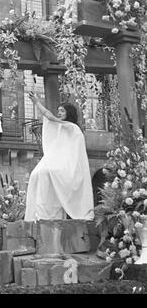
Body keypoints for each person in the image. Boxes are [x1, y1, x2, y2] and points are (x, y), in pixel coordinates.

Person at [24, 92, 94, 221]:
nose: (59, 113)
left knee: (46, 172)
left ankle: (47, 214)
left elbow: (49, 117)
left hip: (69, 168)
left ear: (69, 113)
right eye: (58, 111)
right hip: (58, 163)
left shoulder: (72, 127)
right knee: (36, 174)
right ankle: (40, 213)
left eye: (62, 111)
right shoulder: (61, 128)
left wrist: (37, 103)